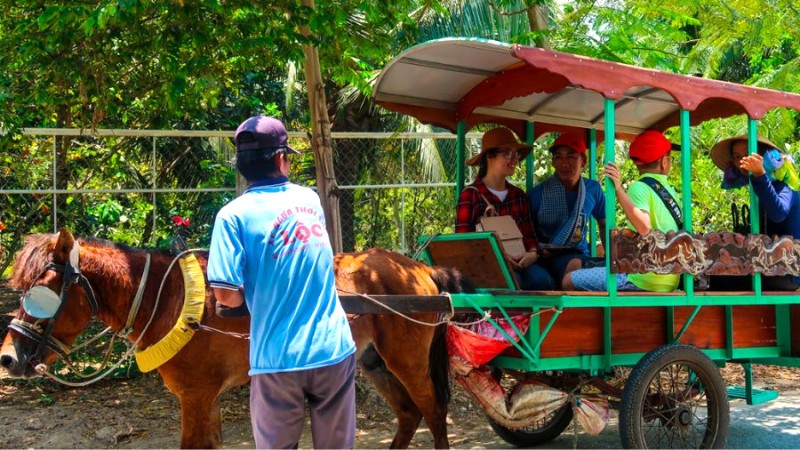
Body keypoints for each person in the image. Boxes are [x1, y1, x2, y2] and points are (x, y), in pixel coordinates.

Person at [207, 115, 356, 449]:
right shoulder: (310, 199)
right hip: (333, 349)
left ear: (241, 165)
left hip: (276, 361)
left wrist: (255, 294)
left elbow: (225, 294)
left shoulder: (231, 216)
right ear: (280, 158)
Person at [563, 130, 681, 292]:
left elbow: (645, 227)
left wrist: (618, 189)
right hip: (668, 279)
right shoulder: (672, 193)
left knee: (568, 279)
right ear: (664, 162)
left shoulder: (640, 187)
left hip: (642, 278)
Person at [455, 127, 555, 290]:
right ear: (489, 157)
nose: (514, 159)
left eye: (516, 154)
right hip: (489, 264)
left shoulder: (519, 196)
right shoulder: (470, 195)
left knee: (544, 281)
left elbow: (529, 235)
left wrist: (532, 253)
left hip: (522, 261)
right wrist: (498, 257)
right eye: (507, 154)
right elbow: (462, 242)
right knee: (513, 284)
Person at [709, 135, 800, 290]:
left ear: (764, 157)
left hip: (789, 272)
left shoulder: (784, 188)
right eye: (737, 157)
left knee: (720, 280)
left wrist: (760, 175)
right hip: (769, 268)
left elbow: (778, 214)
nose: (741, 161)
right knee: (716, 275)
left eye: (747, 154)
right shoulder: (758, 192)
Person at [528, 133, 606, 288]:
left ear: (583, 161)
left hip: (580, 253)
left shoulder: (593, 189)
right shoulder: (537, 194)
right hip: (546, 257)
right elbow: (526, 232)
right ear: (553, 162)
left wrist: (611, 256)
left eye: (571, 157)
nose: (564, 163)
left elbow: (604, 224)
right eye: (558, 157)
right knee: (575, 266)